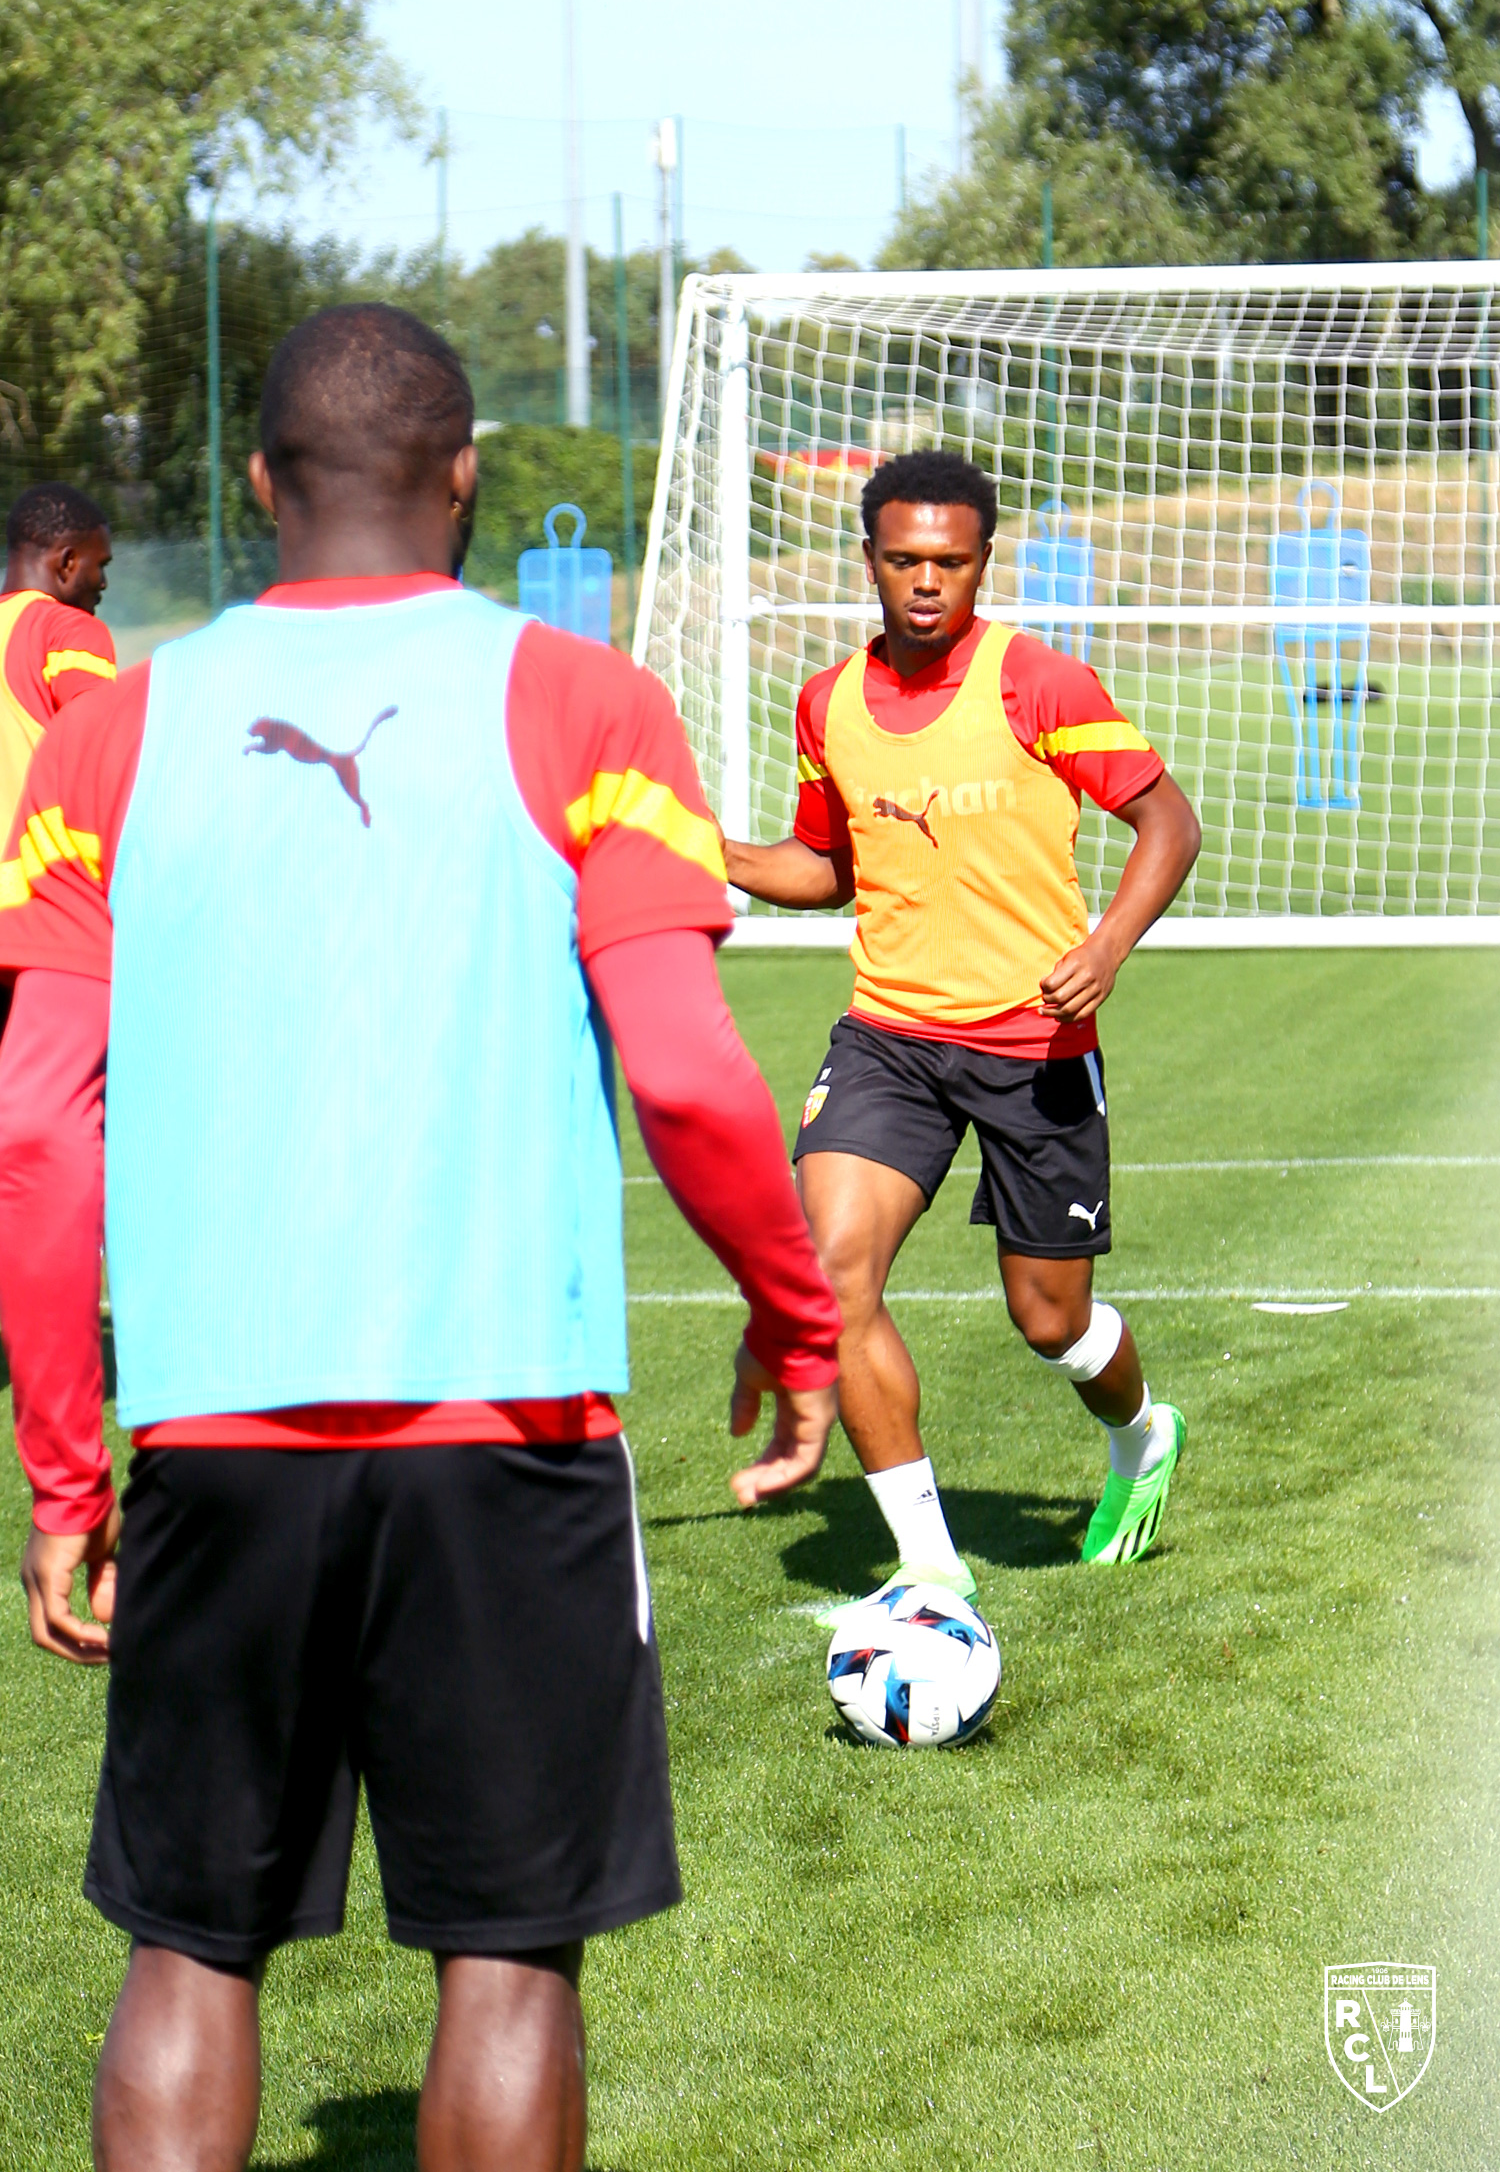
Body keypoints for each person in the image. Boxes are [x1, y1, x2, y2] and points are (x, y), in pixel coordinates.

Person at [0, 303, 840, 2172]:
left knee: (190, 1949)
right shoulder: (587, 704)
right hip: (511, 1429)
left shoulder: (110, 739)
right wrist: (796, 1322)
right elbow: (695, 1078)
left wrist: (69, 1473)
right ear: (467, 478)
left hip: (213, 1438)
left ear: (255, 482)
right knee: (508, 1960)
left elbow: (35, 1133)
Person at [722, 449, 1202, 1620]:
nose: (926, 582)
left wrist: (1106, 947)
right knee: (834, 1278)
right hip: (887, 1038)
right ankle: (930, 1567)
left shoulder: (1035, 682)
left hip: (1033, 1049)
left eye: (950, 561)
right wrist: (714, 854)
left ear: (984, 562)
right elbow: (828, 867)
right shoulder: (827, 699)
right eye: (903, 560)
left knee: (1052, 1319)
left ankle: (1143, 1435)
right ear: (870, 560)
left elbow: (1167, 822)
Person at [0, 479, 116, 856]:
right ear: (68, 563)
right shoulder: (69, 630)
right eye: (99, 565)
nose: (104, 583)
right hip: (35, 890)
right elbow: (101, 761)